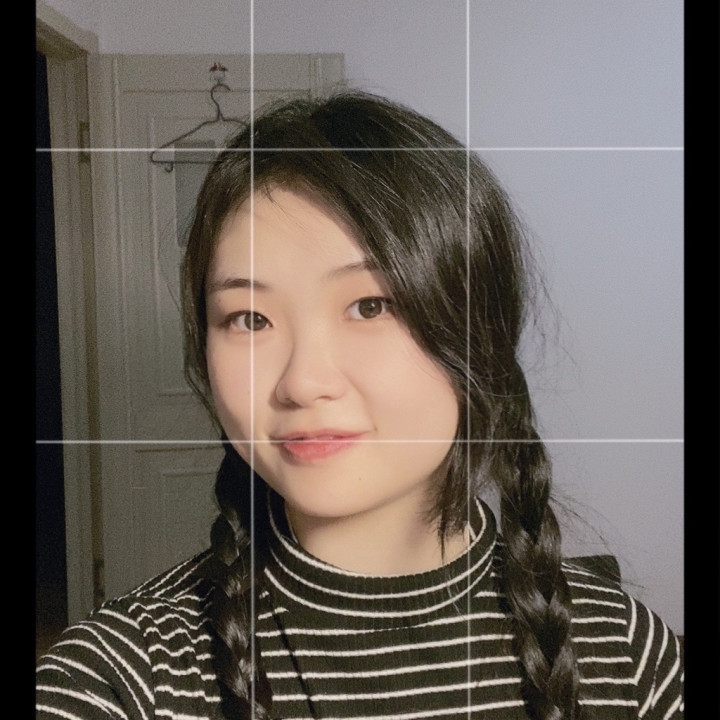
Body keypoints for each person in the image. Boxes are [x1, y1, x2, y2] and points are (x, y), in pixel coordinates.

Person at [36, 91, 683, 720]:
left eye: (370, 306)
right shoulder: (123, 677)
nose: (302, 382)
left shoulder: (626, 654)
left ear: (480, 334)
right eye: (249, 318)